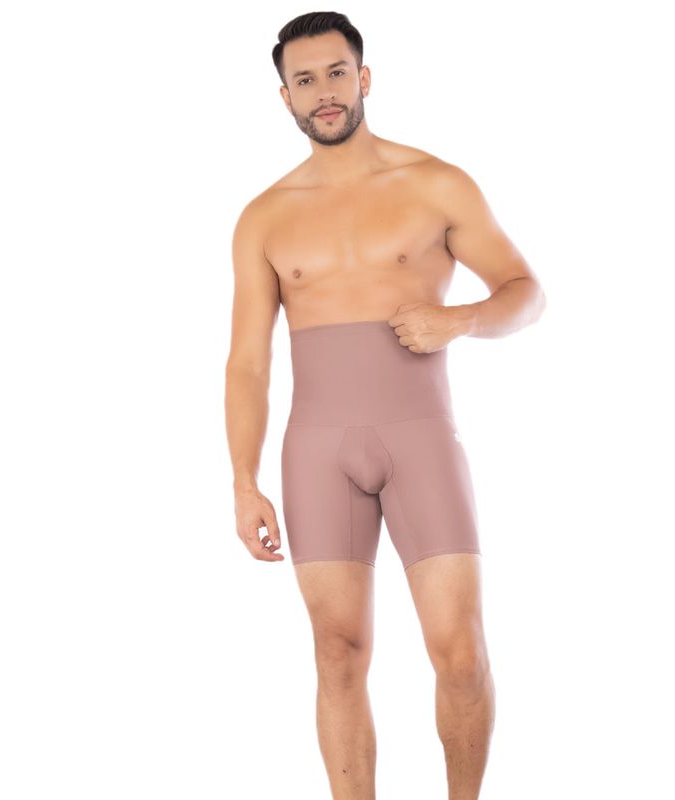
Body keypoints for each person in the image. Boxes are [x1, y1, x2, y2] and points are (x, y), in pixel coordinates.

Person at [225, 11, 546, 799]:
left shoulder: (435, 184)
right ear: (285, 98)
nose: (324, 92)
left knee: (460, 652)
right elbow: (249, 362)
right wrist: (243, 480)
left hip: (420, 439)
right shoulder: (264, 216)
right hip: (316, 449)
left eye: (337, 73)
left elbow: (527, 293)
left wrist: (460, 319)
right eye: (305, 80)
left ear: (363, 77)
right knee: (337, 655)